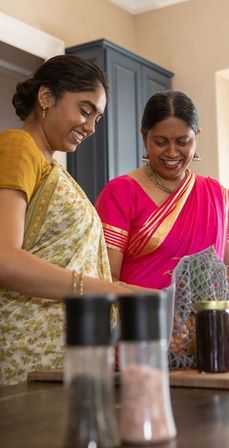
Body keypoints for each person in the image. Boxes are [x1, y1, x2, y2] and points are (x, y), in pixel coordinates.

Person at [0, 55, 151, 386]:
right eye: (85, 111)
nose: (91, 128)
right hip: (32, 351)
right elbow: (5, 260)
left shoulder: (52, 168)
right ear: (46, 98)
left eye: (97, 118)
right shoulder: (18, 147)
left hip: (65, 349)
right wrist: (110, 290)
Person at [96, 90, 229, 312]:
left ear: (196, 137)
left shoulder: (214, 194)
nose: (172, 153)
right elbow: (105, 279)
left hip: (206, 331)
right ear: (144, 137)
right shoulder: (121, 192)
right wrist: (165, 303)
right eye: (161, 142)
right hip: (143, 331)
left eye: (182, 142)